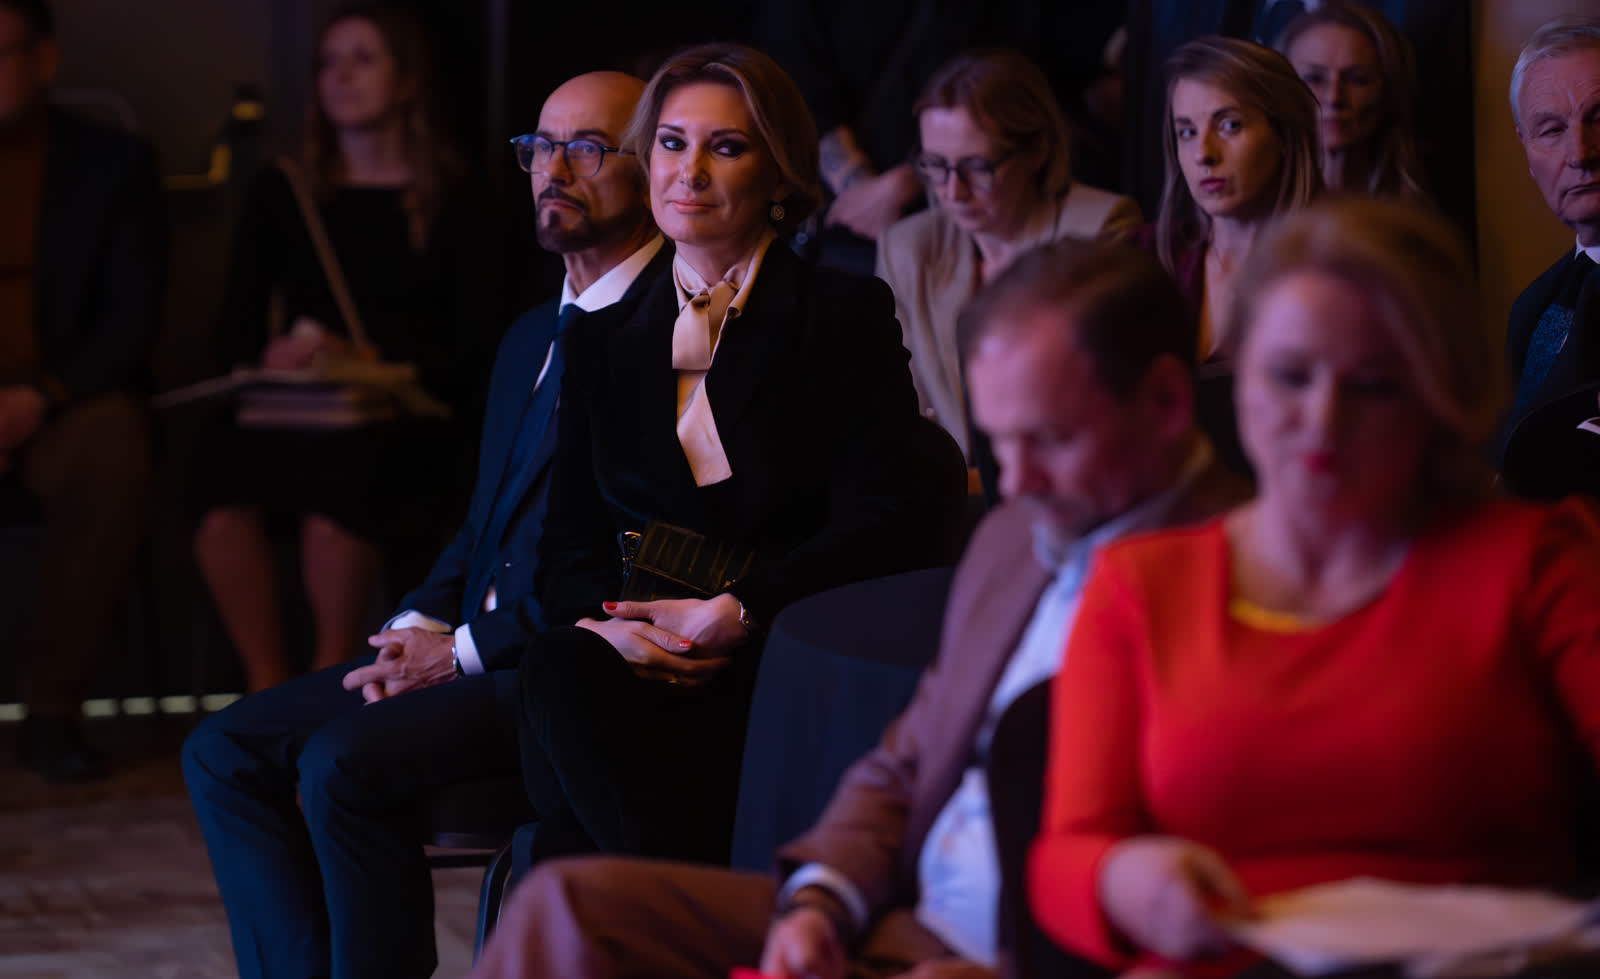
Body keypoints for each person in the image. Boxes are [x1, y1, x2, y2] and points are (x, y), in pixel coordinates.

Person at [463, 238, 1249, 979]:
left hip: (1027, 947)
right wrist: (822, 898)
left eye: (1048, 438)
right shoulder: (1016, 538)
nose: (1017, 482)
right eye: (1000, 443)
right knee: (561, 901)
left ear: (1166, 403)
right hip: (897, 920)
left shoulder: (1247, 571)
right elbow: (904, 762)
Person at [1028, 198, 1600, 977]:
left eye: (1374, 386)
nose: (1323, 420)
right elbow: (1065, 854)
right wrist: (1123, 881)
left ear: (1440, 398)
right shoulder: (1140, 583)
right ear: (1238, 379)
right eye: (1290, 376)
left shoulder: (1533, 562)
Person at [181, 70, 666, 979]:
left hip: (557, 672)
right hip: (467, 646)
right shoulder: (531, 333)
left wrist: (460, 652)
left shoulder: (670, 334)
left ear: (653, 170)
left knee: (337, 762)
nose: (553, 169)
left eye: (586, 148)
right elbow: (481, 526)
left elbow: (628, 568)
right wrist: (414, 624)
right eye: (539, 147)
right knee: (221, 749)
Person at [506, 40, 962, 874]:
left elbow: (884, 519)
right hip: (633, 663)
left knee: (568, 847)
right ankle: (697, 908)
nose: (689, 172)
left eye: (725, 147)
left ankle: (679, 908)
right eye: (671, 143)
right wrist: (617, 630)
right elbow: (566, 554)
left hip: (776, 651)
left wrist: (740, 610)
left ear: (778, 172)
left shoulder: (843, 313)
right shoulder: (599, 339)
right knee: (560, 665)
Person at [192, 3, 492, 692]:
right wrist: (275, 353)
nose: (341, 77)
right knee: (219, 505)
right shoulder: (286, 190)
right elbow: (233, 329)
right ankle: (266, 686)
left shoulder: (457, 197)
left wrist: (366, 360)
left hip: (401, 414)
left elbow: (472, 342)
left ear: (408, 81)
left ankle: (328, 683)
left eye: (362, 59)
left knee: (336, 509)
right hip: (300, 410)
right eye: (328, 62)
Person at [0, 0, 164, 781]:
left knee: (111, 447)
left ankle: (52, 711)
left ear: (43, 59)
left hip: (58, 401)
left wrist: (41, 396)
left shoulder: (110, 165)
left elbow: (132, 318)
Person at [877, 48, 1141, 463]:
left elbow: (1105, 408)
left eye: (978, 166)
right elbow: (903, 414)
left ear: (1038, 150)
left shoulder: (1101, 230)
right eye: (935, 165)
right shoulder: (906, 248)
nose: (952, 191)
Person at [1137, 35, 1320, 359]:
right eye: (1187, 132)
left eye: (1230, 126)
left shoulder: (1336, 268)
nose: (1203, 154)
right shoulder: (1144, 257)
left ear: (1284, 134)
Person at [1496, 17, 1600, 500]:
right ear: (1525, 147)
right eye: (1551, 129)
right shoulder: (1534, 308)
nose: (1580, 153)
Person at [1275, 0, 1425, 196]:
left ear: (1388, 91)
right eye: (1314, 78)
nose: (1334, 98)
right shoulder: (1251, 205)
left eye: (1357, 80)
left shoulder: (1414, 211)